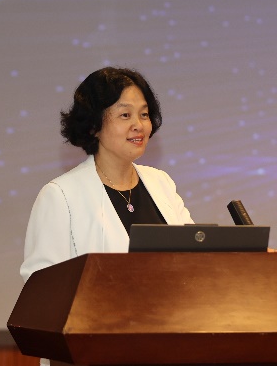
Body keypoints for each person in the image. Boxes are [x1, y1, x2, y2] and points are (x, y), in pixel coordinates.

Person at [20, 67, 194, 284]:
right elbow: (41, 285)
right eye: (125, 115)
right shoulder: (60, 196)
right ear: (94, 126)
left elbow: (196, 256)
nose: (138, 125)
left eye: (144, 114)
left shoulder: (161, 182)